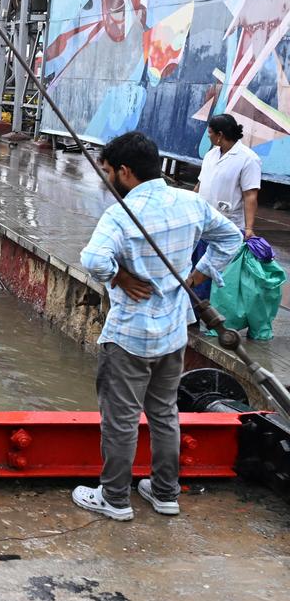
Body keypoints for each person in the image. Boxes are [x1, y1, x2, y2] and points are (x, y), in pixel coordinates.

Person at [75, 131, 242, 521]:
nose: (107, 180)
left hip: (130, 336)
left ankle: (115, 499)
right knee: (165, 412)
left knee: (121, 419)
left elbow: (94, 260)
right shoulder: (190, 202)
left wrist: (118, 278)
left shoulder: (121, 214)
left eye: (108, 172)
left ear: (126, 171)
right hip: (173, 332)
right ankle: (166, 493)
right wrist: (198, 276)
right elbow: (231, 237)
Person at [190, 114, 262, 301]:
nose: (208, 136)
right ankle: (195, 312)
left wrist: (249, 228)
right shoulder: (210, 155)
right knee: (198, 268)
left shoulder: (248, 159)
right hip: (203, 222)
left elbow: (250, 195)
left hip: (228, 225)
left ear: (220, 135)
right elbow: (200, 185)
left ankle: (209, 312)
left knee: (216, 272)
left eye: (210, 133)